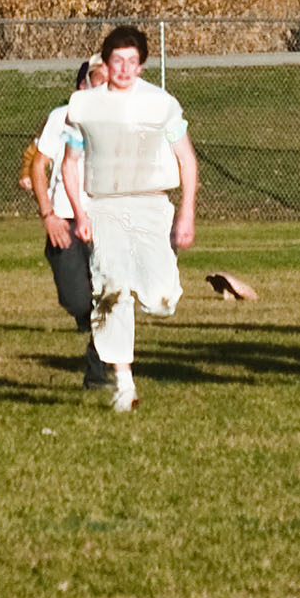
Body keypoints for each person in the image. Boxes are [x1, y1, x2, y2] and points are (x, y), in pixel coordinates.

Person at [59, 27, 199, 411]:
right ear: (105, 63)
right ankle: (124, 383)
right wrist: (80, 211)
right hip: (105, 206)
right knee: (110, 289)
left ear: (141, 65)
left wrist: (186, 211)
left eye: (131, 61)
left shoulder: (161, 104)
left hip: (151, 205)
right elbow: (70, 164)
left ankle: (144, 291)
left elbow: (186, 159)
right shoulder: (83, 106)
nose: (124, 68)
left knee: (161, 300)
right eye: (116, 60)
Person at [24, 60, 103, 386]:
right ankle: (88, 320)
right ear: (84, 83)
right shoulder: (63, 116)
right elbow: (38, 165)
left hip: (107, 218)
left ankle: (99, 372)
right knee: (76, 299)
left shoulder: (128, 116)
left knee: (108, 299)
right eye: (97, 78)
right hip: (65, 219)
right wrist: (48, 214)